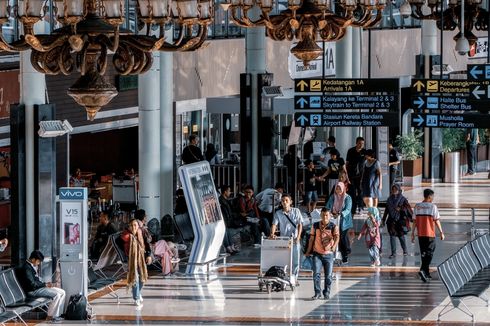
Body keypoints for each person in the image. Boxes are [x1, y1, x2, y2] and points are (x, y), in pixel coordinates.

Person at [16, 250, 66, 321]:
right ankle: (51, 316)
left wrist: (45, 284)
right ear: (33, 259)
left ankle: (59, 315)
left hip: (38, 288)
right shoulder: (26, 268)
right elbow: (32, 285)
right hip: (33, 291)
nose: (39, 263)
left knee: (62, 292)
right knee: (56, 295)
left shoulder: (31, 266)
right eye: (38, 261)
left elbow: (36, 281)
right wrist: (44, 284)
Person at [305, 207, 339, 300]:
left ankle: (326, 292)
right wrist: (308, 251)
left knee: (328, 276)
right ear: (320, 215)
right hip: (317, 254)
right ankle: (317, 293)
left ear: (330, 216)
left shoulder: (333, 226)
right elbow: (311, 239)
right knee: (316, 274)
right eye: (323, 215)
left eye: (327, 215)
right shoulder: (315, 225)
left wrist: (334, 247)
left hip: (328, 254)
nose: (325, 217)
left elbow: (337, 237)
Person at [411, 189, 445, 282]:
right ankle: (423, 270)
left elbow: (414, 221)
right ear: (429, 197)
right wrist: (441, 232)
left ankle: (426, 273)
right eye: (432, 197)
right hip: (430, 234)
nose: (433, 199)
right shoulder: (433, 207)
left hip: (420, 234)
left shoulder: (417, 206)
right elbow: (437, 220)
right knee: (429, 253)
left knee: (424, 254)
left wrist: (413, 233)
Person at [269, 194, 304, 284]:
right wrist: (272, 234)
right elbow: (274, 224)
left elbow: (300, 224)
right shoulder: (278, 213)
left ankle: (294, 278)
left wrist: (298, 237)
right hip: (284, 239)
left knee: (295, 260)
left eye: (286, 200)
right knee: (284, 258)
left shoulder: (296, 211)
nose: (284, 202)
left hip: (295, 239)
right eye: (283, 201)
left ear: (290, 202)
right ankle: (283, 276)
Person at [120, 219, 150, 306]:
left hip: (141, 260)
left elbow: (147, 245)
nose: (133, 227)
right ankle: (136, 297)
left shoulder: (141, 234)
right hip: (131, 260)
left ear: (138, 226)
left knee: (143, 278)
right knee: (135, 278)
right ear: (129, 227)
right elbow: (120, 247)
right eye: (132, 225)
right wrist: (125, 257)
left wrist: (148, 255)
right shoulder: (125, 236)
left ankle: (138, 292)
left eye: (135, 225)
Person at [325, 181, 353, 264]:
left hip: (344, 221)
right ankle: (340, 253)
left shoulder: (347, 198)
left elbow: (348, 209)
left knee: (342, 238)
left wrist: (340, 214)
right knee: (335, 237)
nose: (338, 190)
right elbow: (328, 206)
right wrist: (328, 212)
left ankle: (345, 255)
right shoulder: (333, 197)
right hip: (334, 219)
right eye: (336, 188)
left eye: (339, 188)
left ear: (343, 188)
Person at [382, 184, 412, 258]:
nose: (394, 191)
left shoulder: (403, 199)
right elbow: (386, 210)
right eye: (393, 189)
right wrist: (383, 219)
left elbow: (408, 208)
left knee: (401, 236)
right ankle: (393, 253)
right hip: (391, 221)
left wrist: (401, 209)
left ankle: (405, 251)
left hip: (400, 221)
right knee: (392, 236)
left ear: (399, 190)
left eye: (396, 189)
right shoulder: (389, 199)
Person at [345, 137, 366, 214]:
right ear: (356, 143)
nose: (361, 145)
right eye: (360, 143)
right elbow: (347, 163)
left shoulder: (364, 151)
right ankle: (352, 207)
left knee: (360, 191)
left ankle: (360, 207)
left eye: (363, 143)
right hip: (351, 175)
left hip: (361, 175)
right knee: (352, 192)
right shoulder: (350, 151)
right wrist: (346, 175)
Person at [218, 185, 240, 254]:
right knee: (225, 232)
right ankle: (228, 247)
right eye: (229, 191)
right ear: (225, 192)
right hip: (223, 220)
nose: (230, 193)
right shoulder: (221, 200)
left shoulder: (224, 200)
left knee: (227, 232)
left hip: (226, 220)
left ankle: (231, 246)